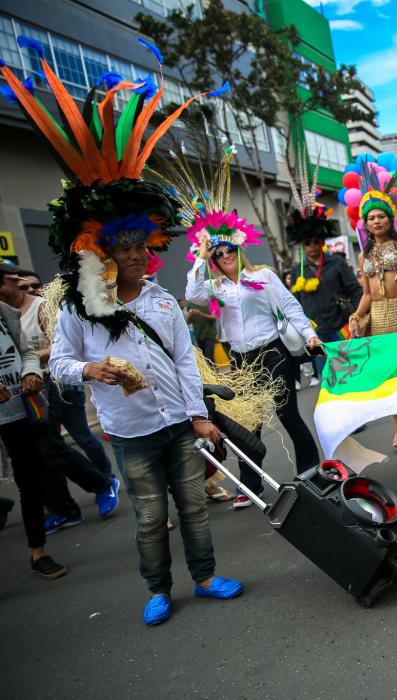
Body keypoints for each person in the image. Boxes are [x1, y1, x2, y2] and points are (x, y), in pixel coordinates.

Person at [2, 49, 245, 624]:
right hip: (130, 432)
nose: (137, 257)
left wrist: (199, 414)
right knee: (147, 515)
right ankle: (158, 588)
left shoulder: (161, 300)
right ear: (102, 254)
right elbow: (60, 362)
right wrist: (91, 370)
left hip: (177, 425)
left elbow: (186, 361)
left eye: (142, 248)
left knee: (194, 509)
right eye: (125, 250)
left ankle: (206, 575)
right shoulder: (80, 310)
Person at [178, 148, 323, 503]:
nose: (225, 256)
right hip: (241, 360)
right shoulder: (214, 286)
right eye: (219, 253)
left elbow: (290, 306)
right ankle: (251, 486)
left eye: (229, 250)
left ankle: (310, 473)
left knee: (289, 415)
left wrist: (310, 334)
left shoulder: (263, 276)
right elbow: (191, 293)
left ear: (239, 250)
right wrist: (201, 253)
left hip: (273, 353)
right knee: (248, 423)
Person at [0, 262, 118, 533]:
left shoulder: (39, 307)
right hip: (22, 394)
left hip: (55, 385)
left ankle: (103, 482)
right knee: (43, 452)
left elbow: (60, 346)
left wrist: (27, 362)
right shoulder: (6, 311)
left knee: (72, 438)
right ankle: (63, 507)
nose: (29, 288)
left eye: (30, 285)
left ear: (12, 280)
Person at [348, 165, 397, 451]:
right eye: (371, 218)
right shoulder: (364, 254)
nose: (377, 221)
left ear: (390, 218)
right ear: (366, 224)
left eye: (381, 215)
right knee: (387, 373)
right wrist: (357, 315)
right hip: (380, 317)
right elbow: (368, 294)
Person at [0, 298, 66, 579]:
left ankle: (38, 552)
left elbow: (26, 351)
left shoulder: (4, 312)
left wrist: (31, 372)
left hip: (19, 411)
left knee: (29, 481)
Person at [292, 232, 362, 377]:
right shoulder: (297, 270)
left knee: (354, 371)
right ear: (302, 246)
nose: (312, 245)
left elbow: (356, 290)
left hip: (342, 328)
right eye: (307, 242)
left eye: (315, 240)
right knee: (326, 376)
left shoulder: (337, 262)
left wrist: (359, 316)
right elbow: (294, 303)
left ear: (322, 241)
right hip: (314, 335)